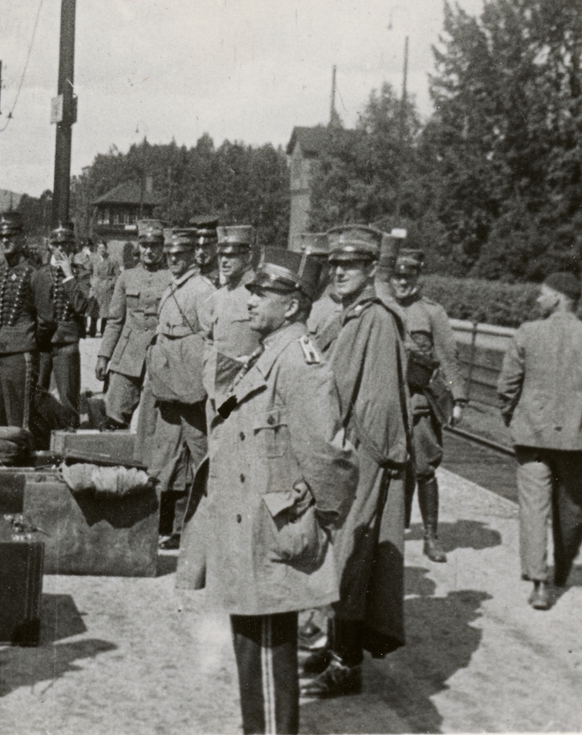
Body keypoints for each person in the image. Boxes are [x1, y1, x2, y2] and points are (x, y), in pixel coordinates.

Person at [179, 248, 357, 735]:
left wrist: (317, 518)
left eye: (265, 293)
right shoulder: (271, 351)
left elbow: (330, 456)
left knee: (265, 649)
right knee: (251, 648)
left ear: (294, 305)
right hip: (251, 528)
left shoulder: (300, 362)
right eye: (252, 291)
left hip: (271, 533)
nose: (251, 300)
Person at [302, 225, 410, 698]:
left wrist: (346, 453)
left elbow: (379, 405)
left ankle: (347, 665)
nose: (339, 272)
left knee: (350, 556)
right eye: (336, 265)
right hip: (351, 451)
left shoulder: (376, 319)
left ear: (370, 271)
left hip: (362, 457)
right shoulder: (355, 314)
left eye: (351, 266)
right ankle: (335, 647)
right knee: (339, 555)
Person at [496, 271, 582, 610]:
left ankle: (538, 583)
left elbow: (507, 386)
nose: (538, 300)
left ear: (559, 298)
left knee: (533, 509)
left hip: (531, 438)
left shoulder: (527, 333)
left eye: (543, 294)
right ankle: (562, 570)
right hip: (575, 442)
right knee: (572, 510)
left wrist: (514, 418)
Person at [390, 248, 468, 562]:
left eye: (409, 277)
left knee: (424, 468)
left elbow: (448, 357)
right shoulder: (380, 307)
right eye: (397, 276)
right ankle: (391, 532)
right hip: (386, 399)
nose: (402, 283)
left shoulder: (432, 313)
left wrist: (458, 399)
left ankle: (431, 536)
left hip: (418, 401)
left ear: (418, 278)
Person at [141, 227, 214, 548]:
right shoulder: (173, 286)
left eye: (179, 256)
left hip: (191, 386)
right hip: (167, 384)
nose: (173, 260)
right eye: (170, 255)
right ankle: (164, 527)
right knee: (165, 457)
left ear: (192, 256)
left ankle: (203, 530)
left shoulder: (201, 289)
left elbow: (211, 339)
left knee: (201, 456)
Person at [96, 220, 171, 428]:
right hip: (128, 354)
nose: (149, 251)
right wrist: (104, 356)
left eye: (155, 246)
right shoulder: (126, 277)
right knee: (115, 411)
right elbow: (114, 321)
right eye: (145, 245)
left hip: (159, 353)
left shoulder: (172, 278)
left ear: (162, 247)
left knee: (156, 418)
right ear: (139, 246)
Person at [0, 216, 46, 429]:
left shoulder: (34, 274)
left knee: (17, 420)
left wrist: (28, 342)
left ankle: (18, 458)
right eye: (1, 237)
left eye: (10, 236)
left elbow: (46, 321)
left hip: (19, 351)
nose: (5, 241)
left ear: (22, 239)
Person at [199, 225, 259, 411]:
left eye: (231, 255)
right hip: (215, 389)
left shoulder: (259, 294)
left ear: (248, 256)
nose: (224, 261)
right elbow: (209, 339)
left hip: (246, 390)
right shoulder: (218, 295)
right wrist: (208, 371)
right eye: (221, 255)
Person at [35, 223, 90, 415]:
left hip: (66, 340)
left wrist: (69, 275)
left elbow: (81, 306)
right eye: (57, 245)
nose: (61, 249)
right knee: (37, 393)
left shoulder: (81, 273)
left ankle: (67, 430)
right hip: (41, 342)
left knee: (68, 396)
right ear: (50, 246)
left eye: (66, 245)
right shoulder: (39, 273)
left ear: (72, 247)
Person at [301, 232, 340, 355]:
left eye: (314, 266)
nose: (307, 272)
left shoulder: (335, 307)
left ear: (328, 268)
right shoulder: (305, 299)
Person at [89, 238, 121, 338]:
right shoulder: (93, 259)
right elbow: (90, 272)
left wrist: (111, 284)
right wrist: (92, 282)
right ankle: (92, 330)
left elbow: (117, 275)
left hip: (107, 287)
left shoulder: (112, 259)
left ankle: (103, 331)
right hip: (96, 286)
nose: (101, 250)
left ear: (106, 248)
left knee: (105, 311)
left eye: (103, 247)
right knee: (94, 309)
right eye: (99, 248)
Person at [191, 214, 221, 285]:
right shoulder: (191, 279)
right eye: (197, 246)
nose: (200, 252)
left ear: (217, 246)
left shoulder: (224, 279)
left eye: (206, 246)